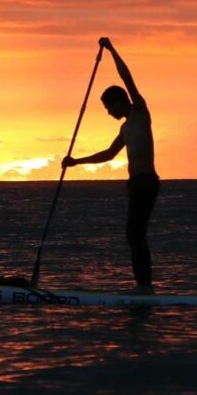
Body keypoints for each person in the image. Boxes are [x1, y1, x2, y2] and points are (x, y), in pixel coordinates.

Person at [62, 37, 160, 293]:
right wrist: (75, 162)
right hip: (136, 183)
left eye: (108, 107)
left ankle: (145, 288)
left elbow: (127, 77)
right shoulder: (126, 128)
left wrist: (112, 49)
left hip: (147, 182)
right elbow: (108, 154)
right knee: (133, 233)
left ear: (119, 101)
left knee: (134, 233)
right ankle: (143, 286)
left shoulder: (140, 112)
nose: (108, 113)